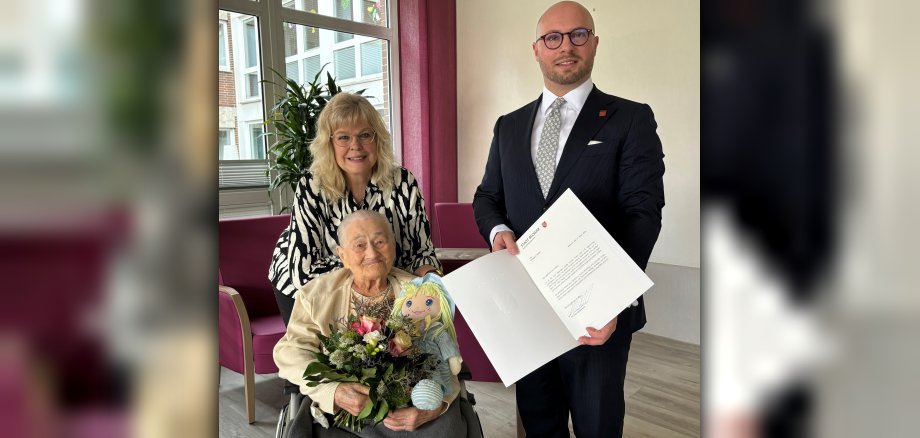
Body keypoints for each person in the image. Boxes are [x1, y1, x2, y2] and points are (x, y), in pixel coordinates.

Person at [472, 1, 665, 436]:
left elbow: (643, 212)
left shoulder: (630, 119)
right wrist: (499, 230)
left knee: (598, 425)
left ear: (594, 43)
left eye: (578, 35)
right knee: (540, 424)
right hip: (528, 309)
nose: (566, 47)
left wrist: (612, 297)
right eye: (552, 38)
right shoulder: (508, 126)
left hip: (595, 316)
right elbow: (487, 197)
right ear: (536, 49)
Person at [274, 210, 466, 437]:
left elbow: (445, 355)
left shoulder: (420, 294)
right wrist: (334, 391)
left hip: (414, 408)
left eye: (380, 241)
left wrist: (436, 405)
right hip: (348, 411)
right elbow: (291, 352)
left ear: (393, 246)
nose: (372, 253)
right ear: (342, 255)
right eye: (359, 245)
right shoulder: (315, 295)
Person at [269, 92, 442, 326]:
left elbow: (420, 251)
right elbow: (304, 271)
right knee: (329, 357)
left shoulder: (403, 181)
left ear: (377, 138)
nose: (355, 146)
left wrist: (432, 280)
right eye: (343, 137)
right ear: (329, 143)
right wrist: (371, 269)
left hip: (381, 283)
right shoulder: (312, 186)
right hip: (308, 288)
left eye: (364, 135)